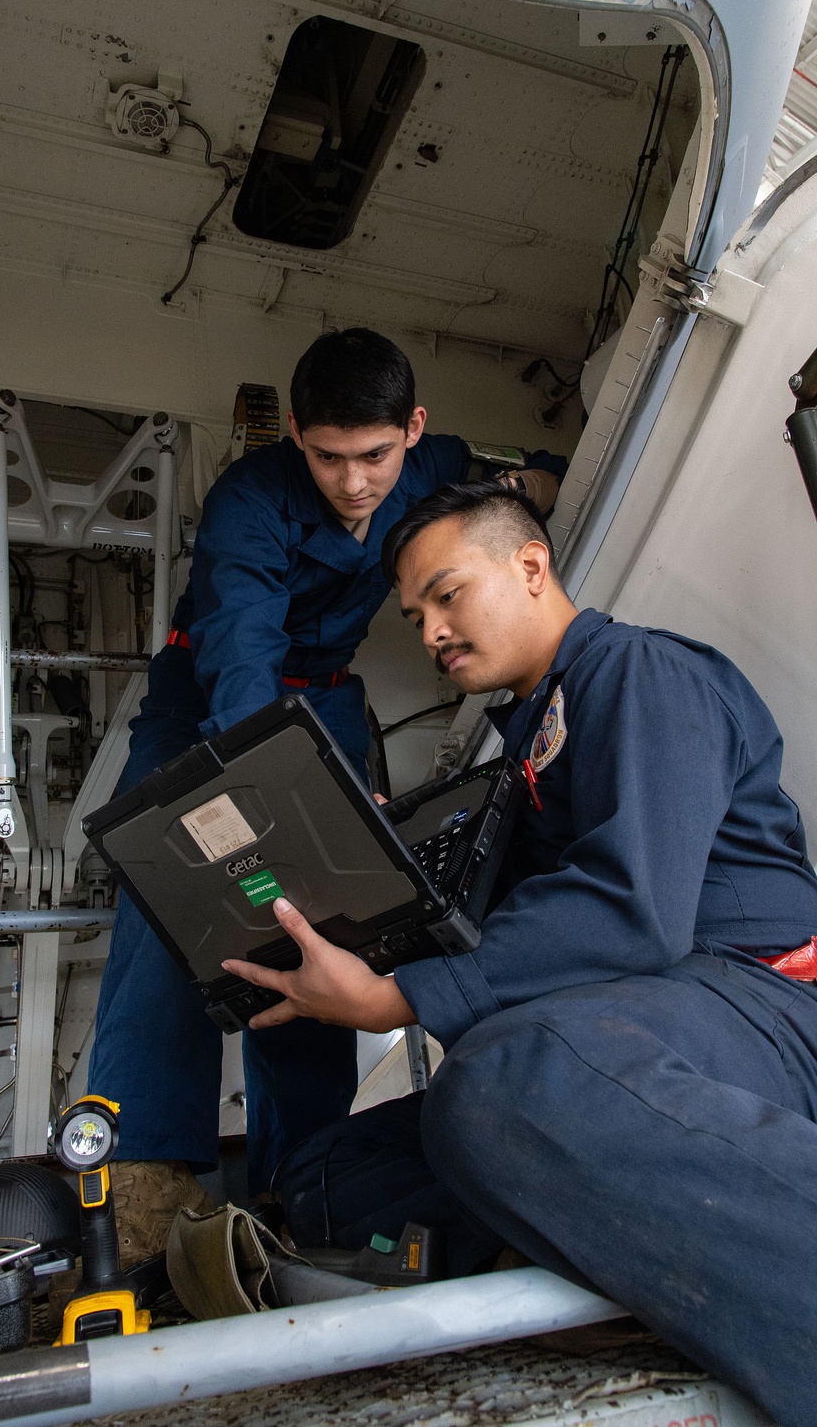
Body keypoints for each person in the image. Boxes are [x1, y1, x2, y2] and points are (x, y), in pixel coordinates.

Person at [222, 481, 817, 1427]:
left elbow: (633, 911)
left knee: (505, 1082)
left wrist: (395, 999)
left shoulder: (641, 673)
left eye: (448, 595)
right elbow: (520, 925)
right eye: (416, 615)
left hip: (761, 1009)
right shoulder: (527, 744)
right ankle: (596, 1267)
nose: (431, 632)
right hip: (646, 1025)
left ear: (530, 566)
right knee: (327, 1172)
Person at [86, 333, 565, 1258]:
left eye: (376, 457)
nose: (355, 483)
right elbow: (242, 668)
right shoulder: (248, 503)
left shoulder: (433, 465)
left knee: (330, 918)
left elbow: (511, 477)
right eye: (330, 458)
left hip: (330, 703)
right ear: (295, 433)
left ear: (411, 431)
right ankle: (145, 1177)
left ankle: (298, 1181)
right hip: (212, 705)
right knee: (174, 904)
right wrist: (281, 802)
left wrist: (536, 482)